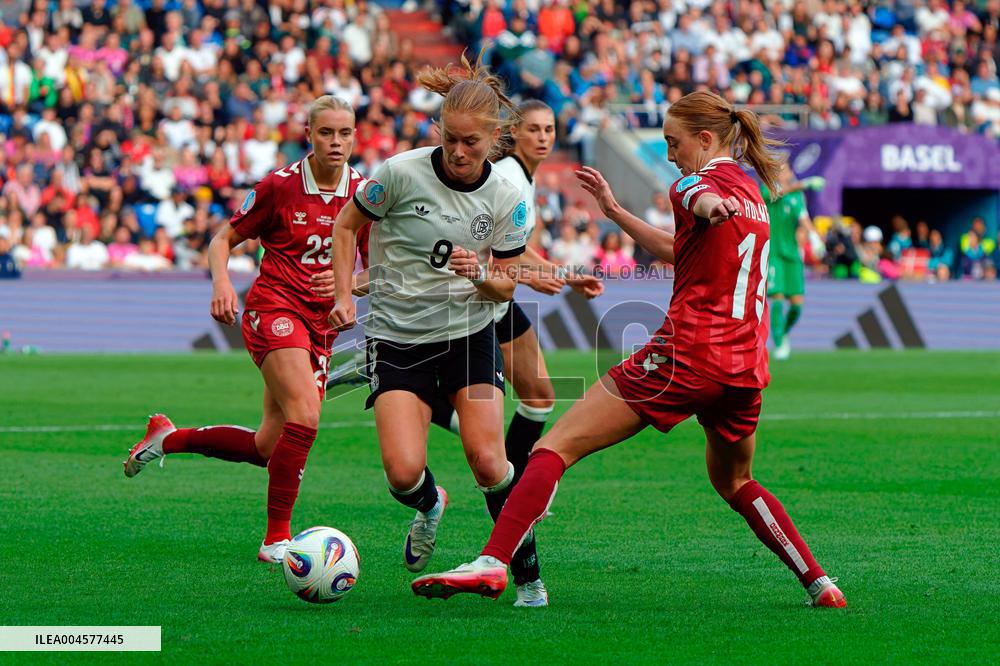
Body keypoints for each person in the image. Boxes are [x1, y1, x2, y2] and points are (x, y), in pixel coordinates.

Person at [411, 91, 847, 609]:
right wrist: (615, 212)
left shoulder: (697, 184)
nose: (669, 153)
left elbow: (697, 200)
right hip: (745, 367)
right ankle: (820, 584)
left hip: (687, 355)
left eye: (673, 142)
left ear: (705, 140)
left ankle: (494, 563)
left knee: (554, 447)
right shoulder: (750, 190)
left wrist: (706, 204)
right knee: (735, 480)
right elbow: (682, 245)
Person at [326, 54, 537, 598]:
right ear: (439, 130)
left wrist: (483, 274)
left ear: (494, 138)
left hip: (469, 334)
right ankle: (429, 504)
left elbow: (507, 286)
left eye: (472, 142)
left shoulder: (509, 201)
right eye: (451, 140)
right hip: (397, 339)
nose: (460, 152)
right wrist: (346, 292)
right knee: (402, 473)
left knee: (491, 461)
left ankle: (529, 581)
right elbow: (346, 226)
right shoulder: (398, 174)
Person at [122, 96, 364, 563]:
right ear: (309, 134)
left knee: (269, 446)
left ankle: (168, 438)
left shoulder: (364, 194)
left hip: (321, 327)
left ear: (355, 136)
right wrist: (221, 284)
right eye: (326, 133)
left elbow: (380, 267)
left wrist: (351, 285)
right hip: (273, 308)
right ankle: (277, 540)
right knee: (307, 416)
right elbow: (221, 240)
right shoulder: (279, 187)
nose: (336, 142)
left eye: (345, 133)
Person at [422, 99, 603, 606]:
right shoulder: (506, 174)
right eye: (532, 129)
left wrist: (559, 275)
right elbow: (505, 253)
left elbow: (517, 250)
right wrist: (545, 274)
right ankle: (518, 495)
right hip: (481, 299)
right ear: (512, 133)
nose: (543, 137)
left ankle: (518, 485)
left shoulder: (519, 176)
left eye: (549, 129)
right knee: (535, 398)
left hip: (493, 293)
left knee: (539, 395)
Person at [763, 164, 825, 360]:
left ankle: (784, 333)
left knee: (797, 304)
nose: (784, 173)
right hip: (773, 253)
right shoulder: (767, 189)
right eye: (780, 170)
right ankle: (779, 343)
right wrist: (803, 184)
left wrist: (814, 237)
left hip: (792, 255)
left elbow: (804, 218)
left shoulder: (797, 196)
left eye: (786, 170)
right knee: (778, 297)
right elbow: (777, 194)